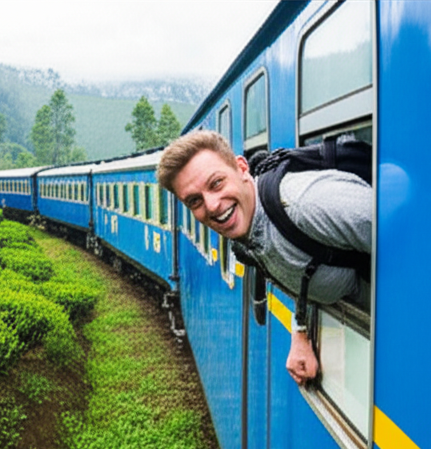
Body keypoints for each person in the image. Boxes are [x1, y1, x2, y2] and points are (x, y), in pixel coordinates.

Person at [157, 130, 371, 386]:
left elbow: (418, 239)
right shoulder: (250, 234)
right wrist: (300, 331)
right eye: (194, 201)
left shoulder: (305, 205)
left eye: (216, 183)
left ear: (242, 168)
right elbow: (299, 264)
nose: (212, 205)